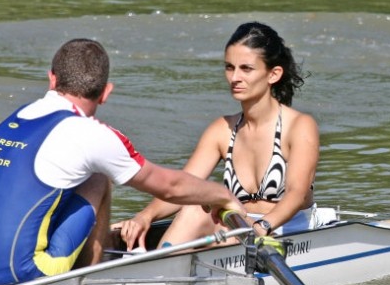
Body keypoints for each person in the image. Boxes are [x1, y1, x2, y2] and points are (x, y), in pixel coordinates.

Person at [0, 38, 244, 285]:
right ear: (106, 92)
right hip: (15, 276)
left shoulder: (20, 116)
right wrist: (223, 196)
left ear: (52, 79)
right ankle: (93, 281)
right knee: (98, 178)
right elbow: (172, 187)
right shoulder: (94, 135)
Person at [114, 22, 336, 251]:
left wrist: (261, 226)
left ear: (273, 74)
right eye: (230, 67)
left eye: (246, 69)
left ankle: (164, 270)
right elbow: (182, 185)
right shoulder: (222, 129)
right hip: (239, 227)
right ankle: (161, 272)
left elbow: (297, 194)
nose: (234, 78)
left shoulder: (300, 125)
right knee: (194, 207)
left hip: (285, 228)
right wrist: (145, 216)